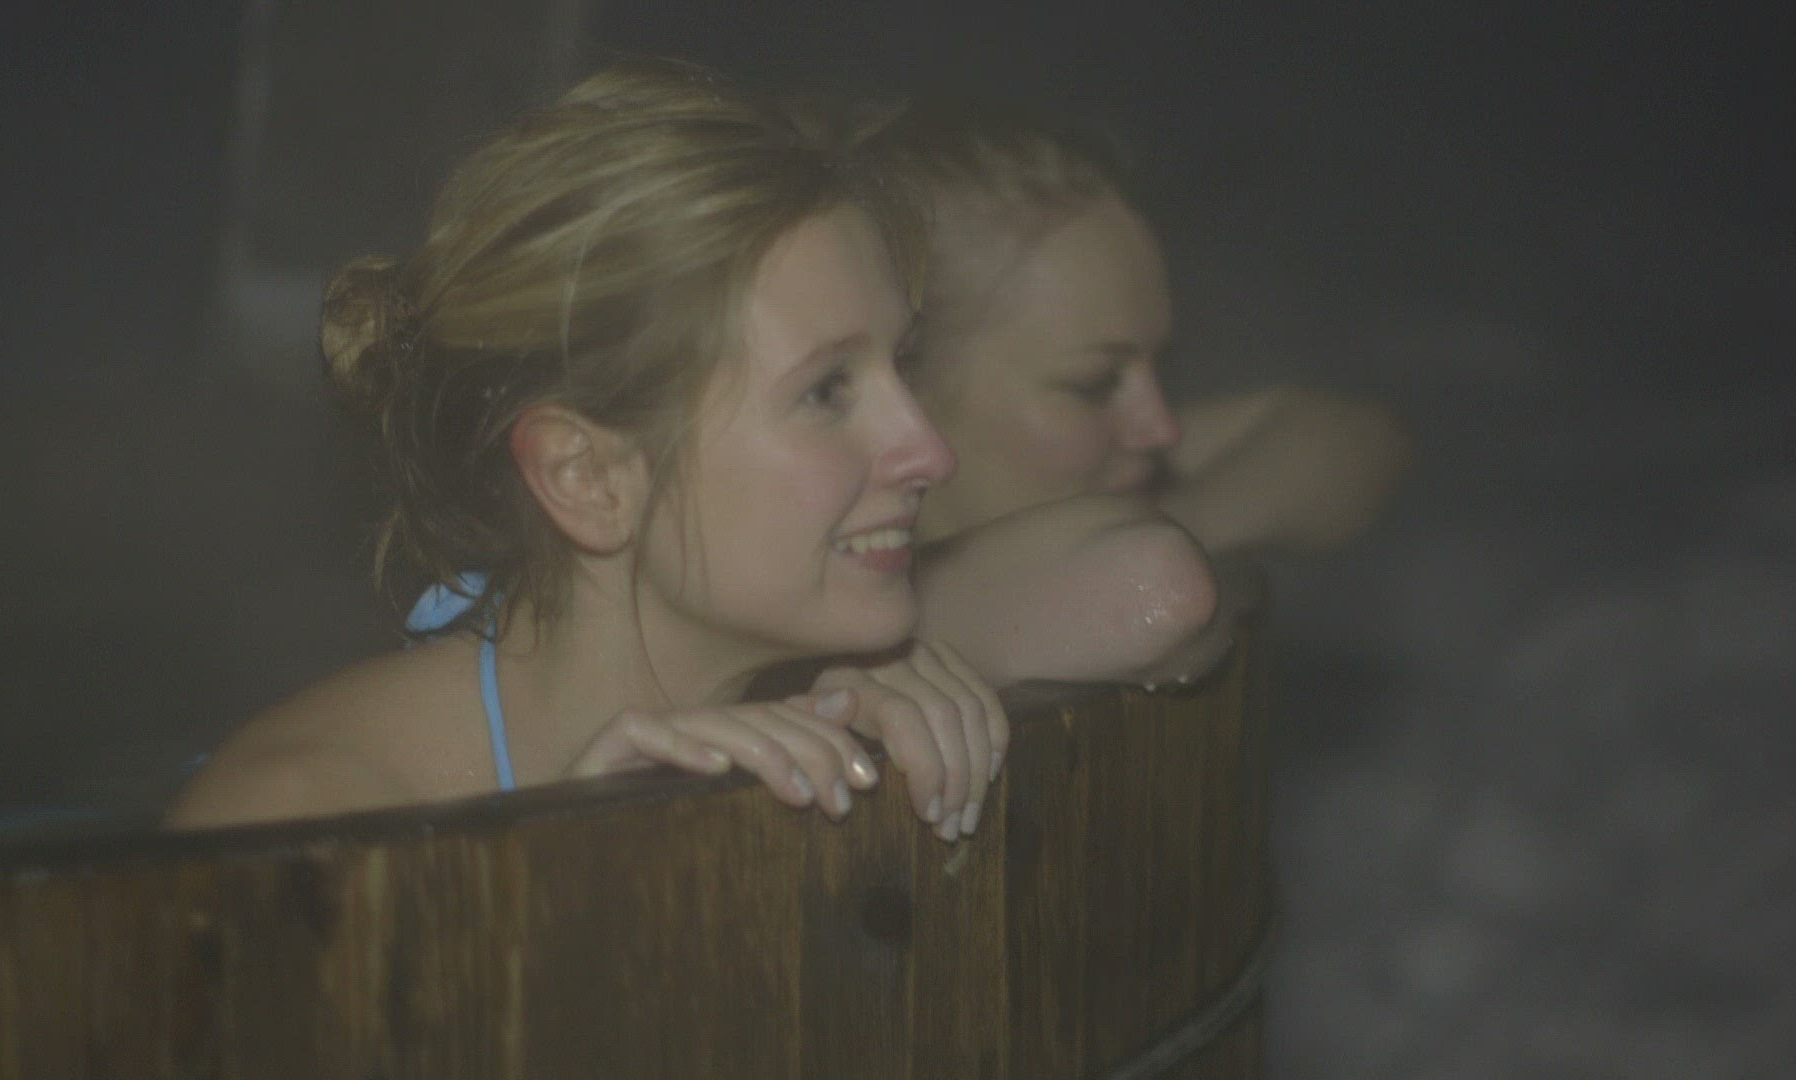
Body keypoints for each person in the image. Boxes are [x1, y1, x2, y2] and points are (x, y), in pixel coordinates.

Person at [168, 61, 1008, 841]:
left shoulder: (847, 693)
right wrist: (563, 884)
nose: (931, 453)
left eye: (903, 365)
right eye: (825, 392)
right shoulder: (303, 820)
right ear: (586, 477)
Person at [797, 96, 1407, 686]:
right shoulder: (828, 625)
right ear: (906, 396)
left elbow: (1342, 439)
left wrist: (1173, 517)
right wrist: (1162, 531)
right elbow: (1157, 585)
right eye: (1095, 385)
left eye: (1159, 367)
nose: (1161, 429)